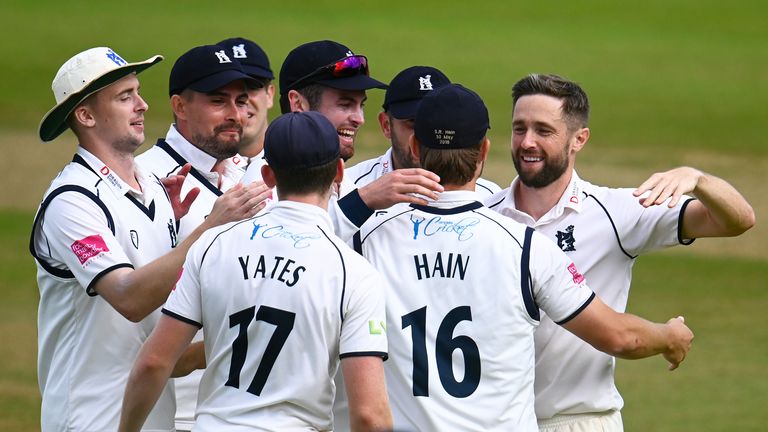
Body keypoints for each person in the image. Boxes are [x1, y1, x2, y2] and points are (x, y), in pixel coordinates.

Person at [354, 83, 694, 431]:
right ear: (483, 151)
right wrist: (669, 336)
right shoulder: (526, 245)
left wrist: (360, 202)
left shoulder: (369, 239)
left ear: (414, 146)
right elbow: (620, 337)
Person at [484, 73, 755, 431]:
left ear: (579, 139)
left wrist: (699, 180)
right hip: (495, 423)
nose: (527, 142)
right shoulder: (484, 216)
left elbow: (737, 220)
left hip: (579, 421)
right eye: (519, 129)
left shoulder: (615, 211)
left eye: (543, 130)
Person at [32, 47, 263, 432]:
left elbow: (160, 327)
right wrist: (210, 228)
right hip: (89, 418)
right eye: (125, 97)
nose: (142, 105)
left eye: (137, 92)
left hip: (152, 416)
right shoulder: (71, 201)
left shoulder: (156, 188)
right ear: (85, 116)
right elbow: (130, 298)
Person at [120, 111, 393, 432]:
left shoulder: (212, 247)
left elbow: (154, 362)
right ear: (338, 171)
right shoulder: (354, 273)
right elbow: (369, 416)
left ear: (267, 176)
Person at [136, 44, 272, 431]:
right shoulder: (145, 181)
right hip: (175, 413)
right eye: (218, 101)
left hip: (236, 409)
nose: (235, 114)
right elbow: (138, 305)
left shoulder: (242, 178)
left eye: (242, 100)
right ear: (179, 106)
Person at [241, 40, 444, 238]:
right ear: (298, 103)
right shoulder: (262, 182)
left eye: (361, 105)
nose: (360, 119)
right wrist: (363, 201)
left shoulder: (344, 181)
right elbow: (289, 248)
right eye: (345, 105)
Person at [345, 65, 501, 197]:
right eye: (413, 122)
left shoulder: (488, 196)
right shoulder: (349, 188)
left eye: (435, 123)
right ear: (386, 125)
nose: (425, 134)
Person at [217, 37, 276, 168]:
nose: (242, 100)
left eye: (252, 87)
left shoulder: (299, 163)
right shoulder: (180, 173)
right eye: (227, 88)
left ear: (270, 95)